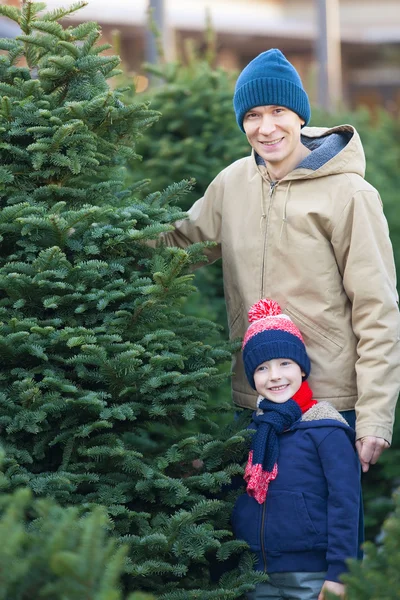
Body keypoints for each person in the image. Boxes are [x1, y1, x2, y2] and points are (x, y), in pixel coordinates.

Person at [159, 48, 400, 470]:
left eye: (278, 111)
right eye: (252, 115)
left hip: (325, 404)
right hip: (255, 397)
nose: (265, 127)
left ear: (300, 116)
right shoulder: (233, 183)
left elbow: (377, 310)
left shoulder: (349, 195)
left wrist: (375, 417)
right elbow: (179, 241)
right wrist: (92, 227)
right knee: (255, 531)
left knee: (322, 529)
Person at [231, 298, 360, 600]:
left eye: (284, 363)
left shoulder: (325, 428)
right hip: (254, 573)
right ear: (252, 379)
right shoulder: (251, 432)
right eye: (262, 368)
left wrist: (340, 573)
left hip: (312, 576)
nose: (274, 375)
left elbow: (346, 503)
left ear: (302, 368)